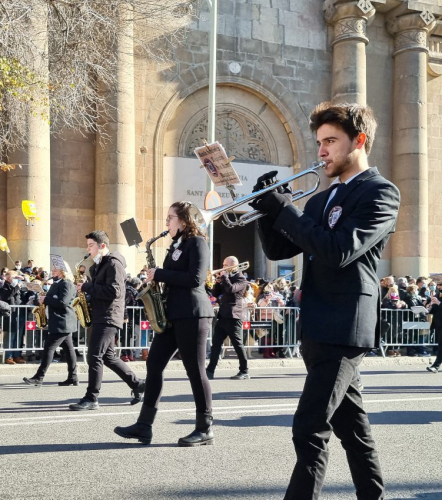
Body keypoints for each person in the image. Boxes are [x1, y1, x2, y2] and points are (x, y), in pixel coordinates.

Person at [250, 102, 400, 500]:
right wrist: (267, 207)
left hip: (346, 324)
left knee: (309, 428)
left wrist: (284, 210)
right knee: (354, 430)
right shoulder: (320, 199)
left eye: (331, 141)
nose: (321, 151)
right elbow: (280, 249)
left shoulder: (381, 192)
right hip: (317, 323)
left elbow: (337, 250)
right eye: (319, 142)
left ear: (360, 141)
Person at [114, 201, 215, 446]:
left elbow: (195, 278)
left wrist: (159, 274)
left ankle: (204, 428)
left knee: (195, 370)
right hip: (172, 314)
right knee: (154, 363)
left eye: (170, 218)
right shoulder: (175, 245)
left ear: (184, 220)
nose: (166, 223)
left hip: (193, 313)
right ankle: (144, 425)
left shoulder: (198, 243)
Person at [69, 230, 145, 411]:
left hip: (109, 316)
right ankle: (138, 384)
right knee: (108, 357)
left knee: (94, 355)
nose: (88, 250)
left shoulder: (113, 264)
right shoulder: (99, 265)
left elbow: (115, 291)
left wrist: (88, 286)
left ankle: (91, 397)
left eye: (91, 246)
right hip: (101, 314)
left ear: (102, 245)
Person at [23, 261, 79, 387]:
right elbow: (51, 300)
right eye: (53, 268)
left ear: (63, 271)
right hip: (58, 321)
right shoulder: (56, 284)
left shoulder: (67, 284)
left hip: (62, 321)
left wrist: (46, 299)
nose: (52, 271)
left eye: (55, 269)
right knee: (69, 351)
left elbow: (63, 302)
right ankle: (73, 377)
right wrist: (40, 299)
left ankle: (39, 377)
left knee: (49, 348)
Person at [206, 256, 250, 380]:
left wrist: (224, 277)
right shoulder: (227, 278)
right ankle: (210, 371)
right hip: (223, 316)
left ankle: (244, 370)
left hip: (234, 316)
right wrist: (217, 282)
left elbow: (231, 289)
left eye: (226, 265)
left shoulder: (241, 279)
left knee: (237, 345)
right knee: (216, 344)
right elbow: (215, 294)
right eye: (223, 265)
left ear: (233, 266)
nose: (223, 267)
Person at [0, 271, 26, 364]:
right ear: (8, 278)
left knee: (19, 336)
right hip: (10, 314)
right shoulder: (4, 287)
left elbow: (25, 294)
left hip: (20, 313)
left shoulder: (17, 286)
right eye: (14, 277)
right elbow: (7, 296)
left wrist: (25, 281)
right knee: (11, 336)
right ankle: (8, 356)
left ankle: (17, 355)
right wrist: (16, 287)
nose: (16, 279)